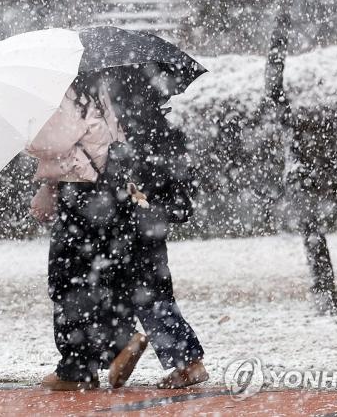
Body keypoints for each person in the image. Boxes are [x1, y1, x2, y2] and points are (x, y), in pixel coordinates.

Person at [27, 76, 145, 391]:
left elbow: (50, 142)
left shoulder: (64, 94)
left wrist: (25, 130)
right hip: (109, 194)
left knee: (67, 281)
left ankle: (77, 367)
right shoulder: (99, 90)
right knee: (103, 275)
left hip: (79, 194)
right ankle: (117, 341)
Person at [103, 104, 208, 389]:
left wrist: (143, 201)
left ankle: (185, 362)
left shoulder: (137, 136)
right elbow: (181, 199)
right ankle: (180, 359)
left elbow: (180, 202)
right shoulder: (158, 135)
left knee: (147, 296)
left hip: (137, 230)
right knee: (148, 295)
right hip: (142, 230)